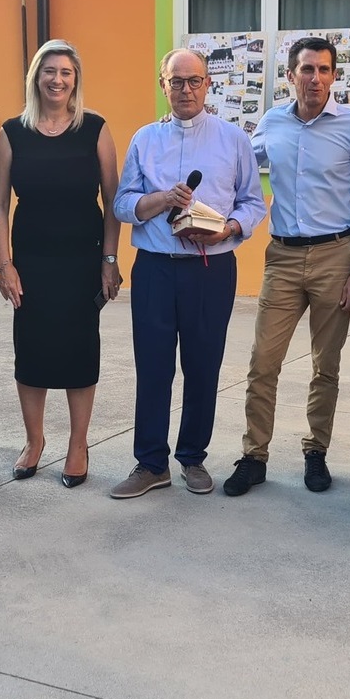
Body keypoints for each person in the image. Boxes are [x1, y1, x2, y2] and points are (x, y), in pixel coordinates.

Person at [223, 36, 350, 497]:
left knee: (325, 365)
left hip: (336, 255)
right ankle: (254, 456)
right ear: (289, 76)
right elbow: (236, 165)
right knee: (262, 362)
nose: (315, 78)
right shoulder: (271, 122)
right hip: (283, 257)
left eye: (324, 70)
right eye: (306, 70)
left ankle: (316, 452)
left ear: (334, 75)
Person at [110, 48, 266, 499]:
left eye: (194, 81)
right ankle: (150, 463)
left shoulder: (234, 139)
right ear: (163, 84)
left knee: (202, 366)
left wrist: (231, 229)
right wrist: (160, 200)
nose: (185, 89)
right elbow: (122, 205)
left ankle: (192, 457)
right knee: (153, 367)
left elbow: (252, 203)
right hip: (156, 268)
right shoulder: (145, 139)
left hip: (210, 268)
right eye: (176, 81)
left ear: (208, 85)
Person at [0, 39, 121, 488]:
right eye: (49, 71)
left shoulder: (95, 129)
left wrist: (109, 259)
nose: (57, 79)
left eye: (66, 72)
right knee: (31, 350)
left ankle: (78, 444)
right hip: (31, 262)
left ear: (76, 79)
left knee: (80, 352)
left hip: (82, 260)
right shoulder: (12, 131)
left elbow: (113, 200)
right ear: (36, 77)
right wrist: (5, 264)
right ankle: (35, 441)